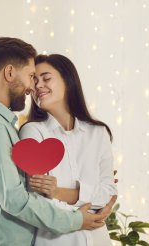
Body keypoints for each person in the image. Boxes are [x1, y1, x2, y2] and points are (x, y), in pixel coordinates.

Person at [0, 37, 116, 246]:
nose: (32, 87)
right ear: (9, 73)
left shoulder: (2, 124)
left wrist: (64, 193)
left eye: (43, 78)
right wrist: (78, 217)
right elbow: (18, 199)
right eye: (32, 76)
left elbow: (107, 191)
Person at [19, 54, 117, 246]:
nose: (38, 86)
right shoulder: (32, 132)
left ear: (68, 80)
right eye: (35, 80)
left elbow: (109, 192)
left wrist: (58, 192)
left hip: (98, 239)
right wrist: (84, 213)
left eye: (46, 78)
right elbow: (38, 202)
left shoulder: (98, 132)